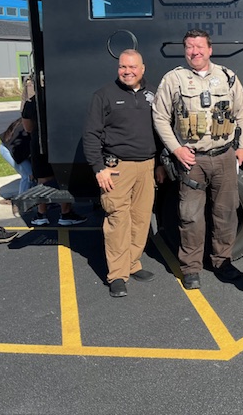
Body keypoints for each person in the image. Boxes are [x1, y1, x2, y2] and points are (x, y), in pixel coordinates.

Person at [152, 29, 243, 290]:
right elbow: (160, 117)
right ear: (185, 51)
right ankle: (191, 268)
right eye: (189, 47)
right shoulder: (174, 80)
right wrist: (175, 149)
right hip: (191, 161)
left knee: (226, 213)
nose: (194, 52)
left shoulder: (227, 77)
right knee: (191, 216)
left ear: (210, 49)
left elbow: (241, 113)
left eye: (199, 47)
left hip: (225, 157)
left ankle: (223, 262)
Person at [83, 49, 165, 298]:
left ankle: (132, 264)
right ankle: (117, 275)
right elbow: (90, 135)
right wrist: (99, 168)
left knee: (140, 220)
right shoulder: (104, 95)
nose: (127, 72)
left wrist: (160, 163)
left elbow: (161, 129)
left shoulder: (154, 94)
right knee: (118, 221)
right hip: (117, 169)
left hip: (147, 167)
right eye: (122, 67)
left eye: (132, 67)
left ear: (143, 68)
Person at [21, 94, 87, 227]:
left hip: (39, 142)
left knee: (43, 179)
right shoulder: (64, 98)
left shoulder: (32, 102)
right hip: (62, 141)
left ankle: (41, 214)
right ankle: (65, 213)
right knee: (63, 177)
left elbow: (27, 127)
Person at [0, 117, 36, 197]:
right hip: (9, 149)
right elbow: (17, 151)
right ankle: (22, 203)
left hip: (12, 148)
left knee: (33, 174)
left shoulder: (28, 120)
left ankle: (29, 200)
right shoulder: (29, 127)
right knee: (28, 175)